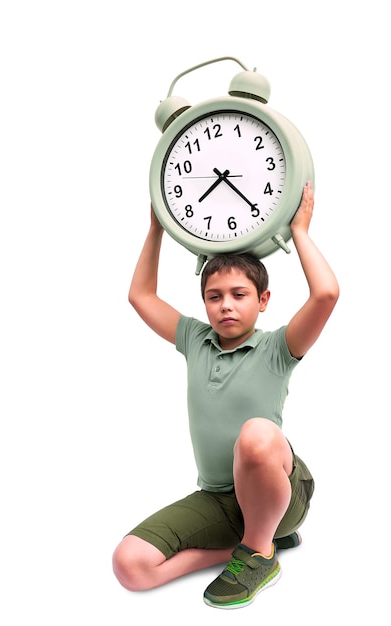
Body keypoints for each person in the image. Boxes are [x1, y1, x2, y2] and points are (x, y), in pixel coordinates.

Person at [112, 181, 339, 609]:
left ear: (263, 300)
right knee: (130, 565)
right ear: (204, 304)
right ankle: (262, 544)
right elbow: (139, 296)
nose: (226, 306)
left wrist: (302, 231)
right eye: (214, 297)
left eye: (239, 295)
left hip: (281, 491)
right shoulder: (195, 340)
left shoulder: (278, 347)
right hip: (217, 498)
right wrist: (156, 230)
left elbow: (326, 294)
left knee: (256, 434)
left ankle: (257, 551)